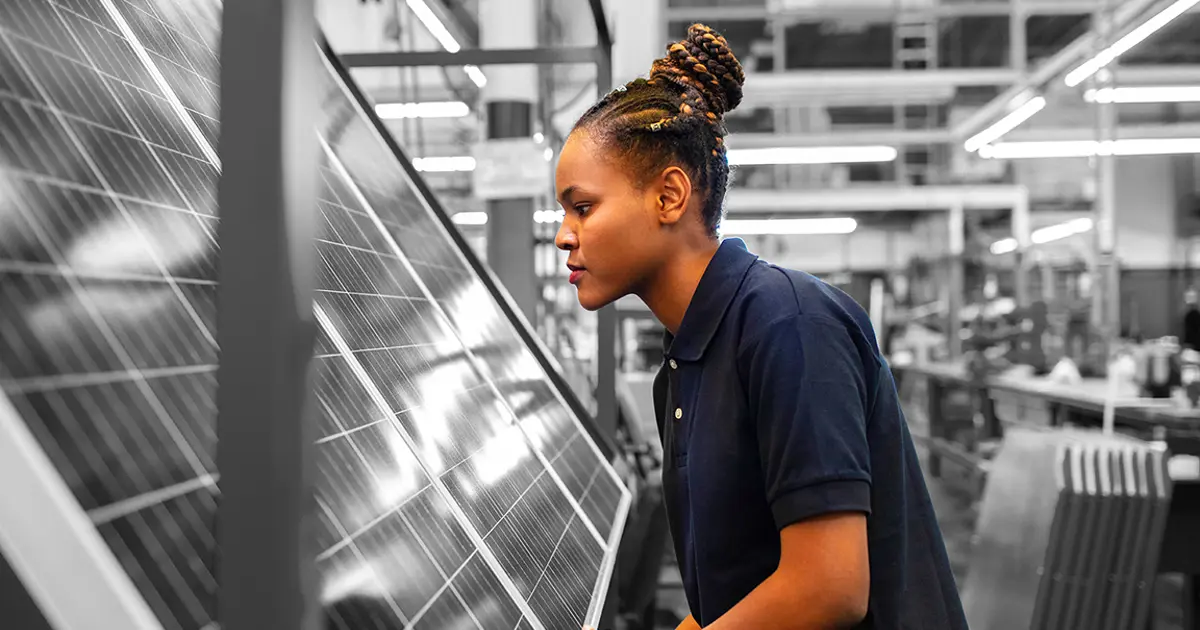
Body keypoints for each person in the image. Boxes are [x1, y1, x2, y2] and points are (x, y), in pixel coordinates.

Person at [556, 24, 967, 630]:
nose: (564, 233)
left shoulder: (788, 325)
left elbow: (829, 586)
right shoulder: (687, 364)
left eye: (582, 206)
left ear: (670, 196)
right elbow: (742, 586)